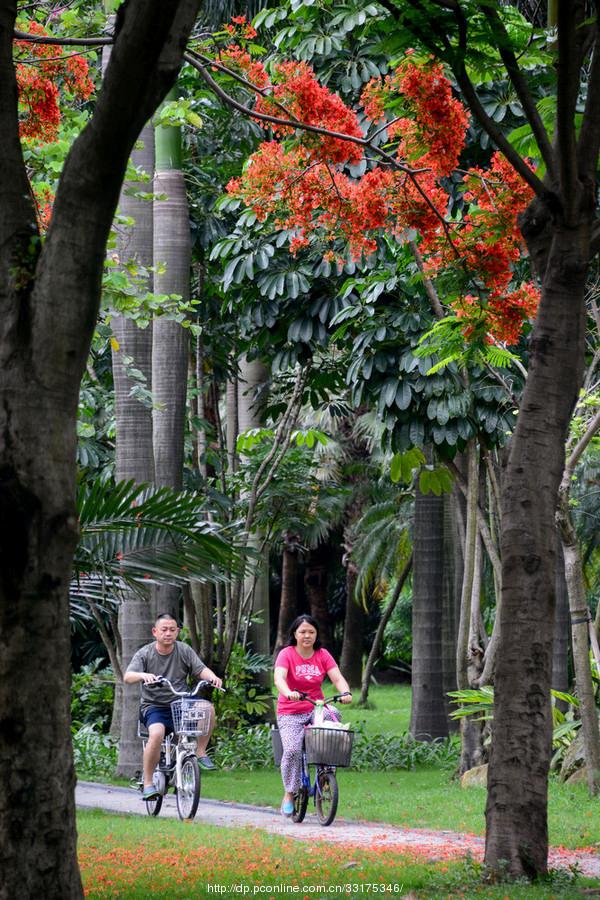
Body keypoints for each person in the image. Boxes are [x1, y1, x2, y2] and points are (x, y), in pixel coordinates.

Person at [124, 612, 223, 800]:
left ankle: (200, 751)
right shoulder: (145, 653)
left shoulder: (184, 650)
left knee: (207, 709)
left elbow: (200, 669)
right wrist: (142, 675)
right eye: (164, 630)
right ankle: (148, 783)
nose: (168, 633)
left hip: (181, 703)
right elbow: (128, 676)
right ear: (155, 632)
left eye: (172, 629)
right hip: (154, 706)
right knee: (156, 734)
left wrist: (212, 678)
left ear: (177, 632)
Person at [273, 614, 352, 817]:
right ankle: (290, 793)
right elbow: (279, 678)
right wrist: (288, 692)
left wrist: (346, 693)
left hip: (315, 708)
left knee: (333, 715)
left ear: (316, 635)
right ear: (294, 634)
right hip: (290, 712)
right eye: (302, 632)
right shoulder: (286, 654)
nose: (307, 635)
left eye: (311, 632)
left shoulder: (323, 654)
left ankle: (326, 774)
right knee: (291, 751)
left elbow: (337, 678)